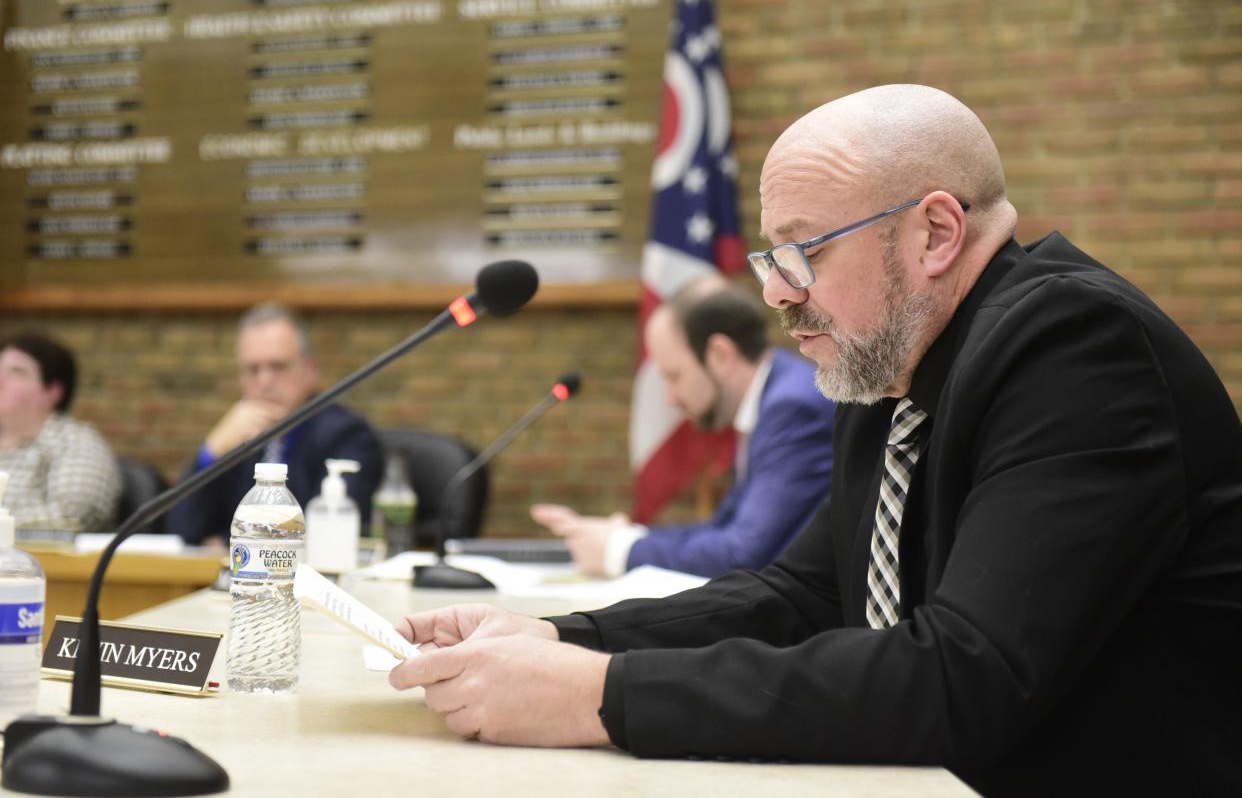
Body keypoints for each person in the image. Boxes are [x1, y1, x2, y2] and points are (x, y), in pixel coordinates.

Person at [386, 85, 1242, 797]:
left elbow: (962, 679)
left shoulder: (1076, 349)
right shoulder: (890, 358)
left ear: (935, 234)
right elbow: (799, 596)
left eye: (806, 253)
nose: (781, 296)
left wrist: (600, 697)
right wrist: (565, 641)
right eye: (773, 259)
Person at [532, 277, 835, 578]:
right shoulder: (775, 394)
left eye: (674, 376)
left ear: (720, 355)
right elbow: (723, 528)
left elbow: (743, 554)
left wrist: (620, 552)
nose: (670, 397)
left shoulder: (793, 409)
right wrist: (631, 537)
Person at [166, 304, 383, 545]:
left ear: (309, 370)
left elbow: (317, 534)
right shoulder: (237, 437)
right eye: (252, 369)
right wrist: (211, 453)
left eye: (277, 366)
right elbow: (182, 530)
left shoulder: (348, 436)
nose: (265, 381)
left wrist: (225, 540)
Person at [0, 333, 121, 532]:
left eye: (17, 372)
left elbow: (72, 515)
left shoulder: (74, 441)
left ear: (53, 392)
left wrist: (3, 525)